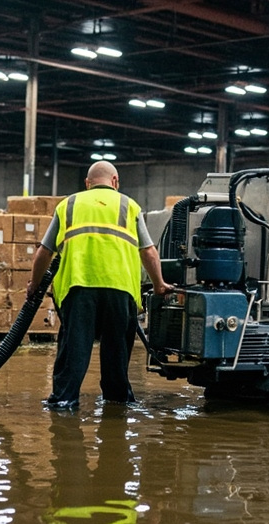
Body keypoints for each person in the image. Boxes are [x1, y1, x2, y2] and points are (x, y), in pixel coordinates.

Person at [25, 160, 174, 411]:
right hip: (120, 290)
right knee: (117, 353)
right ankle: (116, 405)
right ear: (115, 181)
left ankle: (64, 402)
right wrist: (159, 285)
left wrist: (34, 284)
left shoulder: (68, 204)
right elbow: (148, 251)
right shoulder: (129, 205)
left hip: (78, 287)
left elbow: (44, 252)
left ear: (87, 183)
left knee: (74, 350)